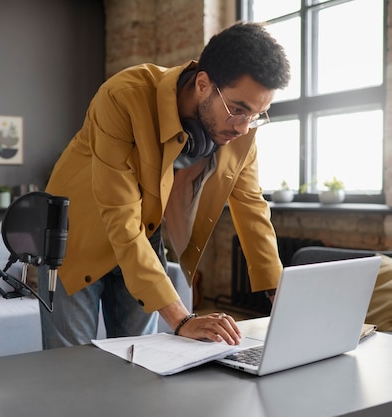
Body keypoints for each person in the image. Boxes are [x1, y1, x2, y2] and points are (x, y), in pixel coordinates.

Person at [38, 22, 290, 349]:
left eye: (257, 115)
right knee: (68, 370)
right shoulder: (122, 97)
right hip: (76, 237)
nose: (243, 128)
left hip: (142, 239)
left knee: (139, 363)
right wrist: (181, 319)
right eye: (238, 110)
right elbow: (118, 214)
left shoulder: (240, 132)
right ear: (203, 83)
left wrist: (281, 297)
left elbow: (252, 209)